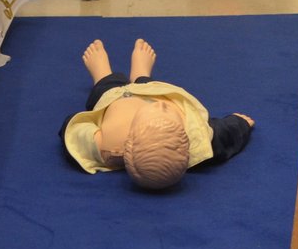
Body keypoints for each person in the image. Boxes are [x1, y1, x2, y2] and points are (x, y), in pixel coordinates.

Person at [61, 38, 255, 190]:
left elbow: (72, 132)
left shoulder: (107, 147)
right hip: (153, 91)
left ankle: (101, 71)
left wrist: (85, 127)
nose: (161, 107)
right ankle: (140, 72)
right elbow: (224, 136)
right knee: (147, 84)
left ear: (130, 140)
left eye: (154, 111)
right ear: (185, 146)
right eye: (168, 113)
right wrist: (240, 124)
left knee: (104, 88)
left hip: (116, 99)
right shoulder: (198, 144)